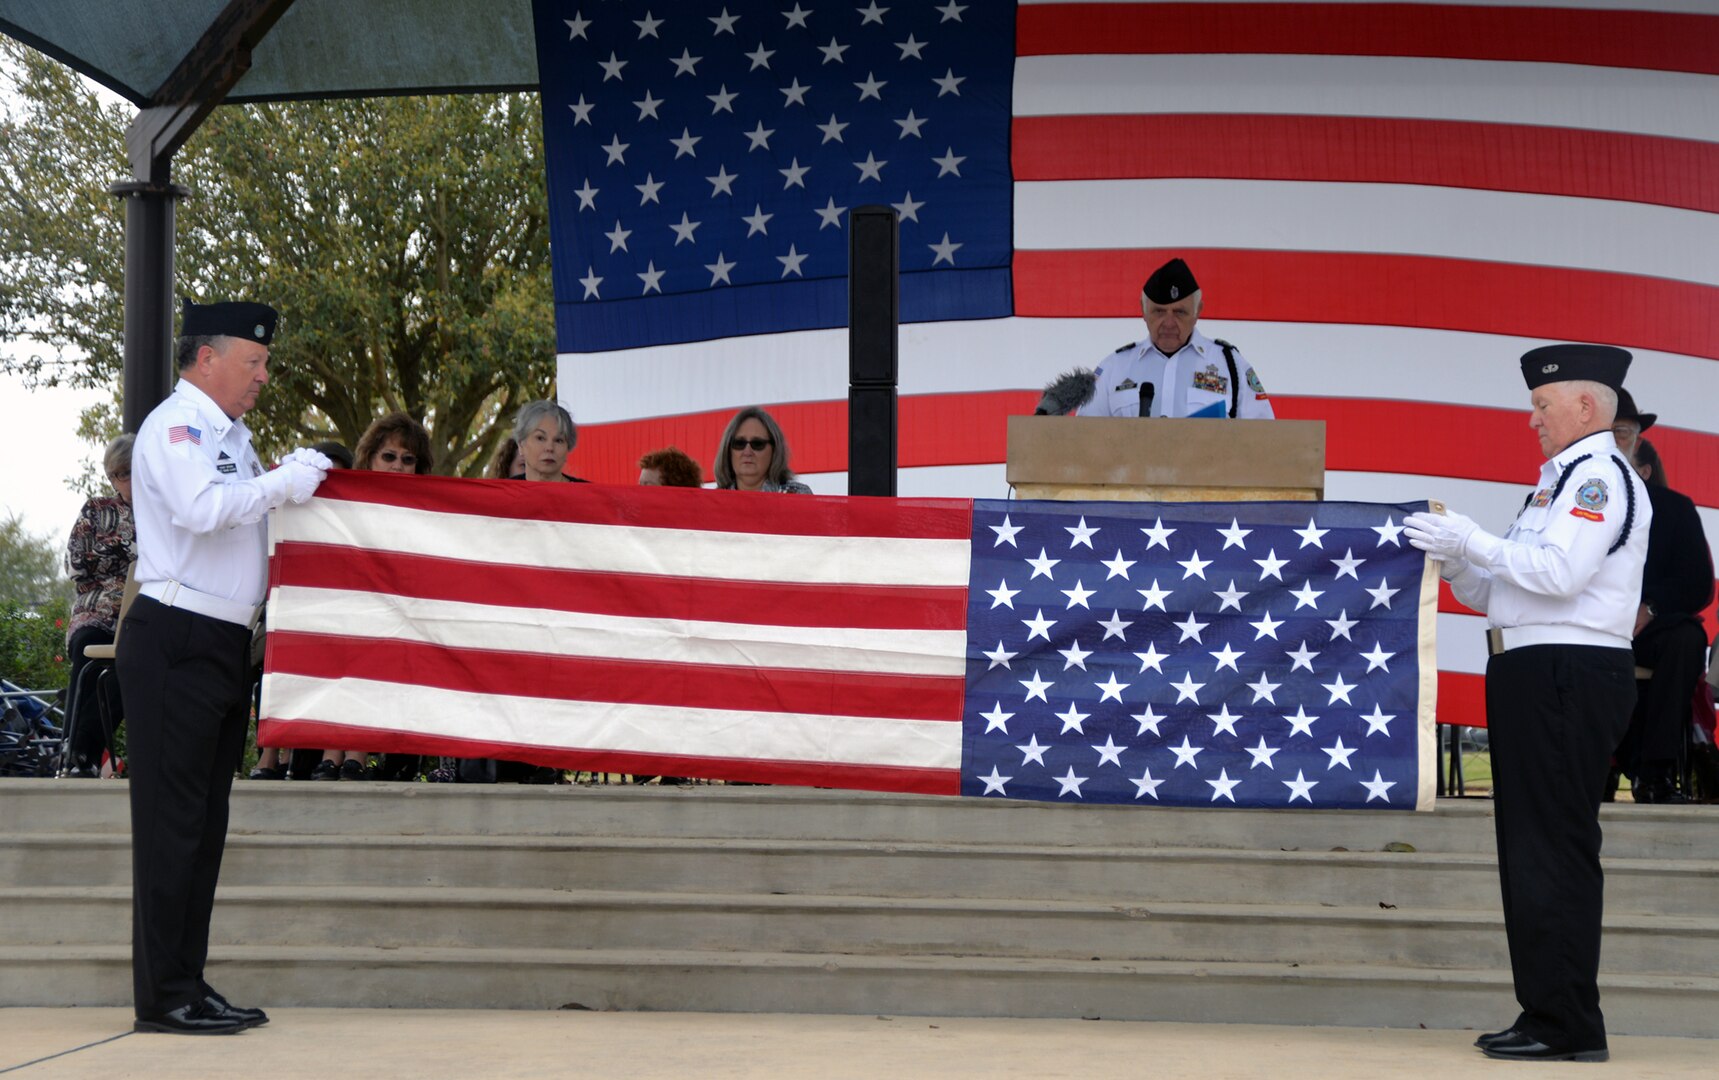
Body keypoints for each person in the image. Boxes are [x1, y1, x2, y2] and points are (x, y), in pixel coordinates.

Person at [1404, 344, 1650, 1063]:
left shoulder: (1598, 478)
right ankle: (1545, 1010)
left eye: (1541, 405)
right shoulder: (1553, 485)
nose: (1531, 418)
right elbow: (1500, 591)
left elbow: (1558, 572)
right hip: (1531, 668)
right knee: (1529, 849)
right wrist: (1456, 559)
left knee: (1553, 849)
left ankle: (1567, 1022)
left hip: (1565, 671)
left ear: (1584, 406)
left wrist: (1473, 539)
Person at [116, 299, 330, 1035]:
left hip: (218, 642)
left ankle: (187, 980)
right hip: (177, 635)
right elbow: (201, 509)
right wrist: (282, 483)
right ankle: (163, 995)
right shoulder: (176, 427)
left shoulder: (231, 435)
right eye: (255, 360)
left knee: (202, 828)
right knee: (173, 826)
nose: (264, 375)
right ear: (206, 358)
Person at [309, 414, 436, 782]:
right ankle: (333, 750)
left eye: (408, 460)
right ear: (369, 457)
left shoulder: (426, 509)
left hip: (396, 606)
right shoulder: (342, 498)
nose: (397, 465)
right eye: (389, 456)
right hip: (348, 602)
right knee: (343, 664)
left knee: (372, 669)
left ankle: (358, 753)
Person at [1609, 395, 1714, 803]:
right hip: (1581, 626)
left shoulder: (1674, 509)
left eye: (1623, 432)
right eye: (1607, 432)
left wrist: (1650, 608)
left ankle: (1655, 775)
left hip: (1644, 631)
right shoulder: (1565, 499)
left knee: (1686, 638)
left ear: (1637, 442)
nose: (1615, 441)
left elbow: (1699, 583)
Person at [1078, 258, 1275, 420]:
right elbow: (1084, 440)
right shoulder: (1114, 368)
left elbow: (1262, 437)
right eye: (1159, 311)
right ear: (1143, 310)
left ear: (1198, 311)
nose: (1169, 322)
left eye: (1180, 312)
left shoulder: (1230, 365)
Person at [62, 434, 138, 777]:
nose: (128, 480)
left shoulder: (166, 512)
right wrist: (121, 553)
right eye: (121, 474)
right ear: (111, 477)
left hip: (139, 614)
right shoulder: (96, 509)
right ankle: (79, 753)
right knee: (87, 649)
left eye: (135, 470)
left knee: (132, 661)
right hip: (95, 610)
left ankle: (80, 752)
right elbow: (74, 565)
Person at [714, 407, 812, 493]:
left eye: (757, 444)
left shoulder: (797, 495)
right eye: (739, 443)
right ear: (727, 450)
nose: (747, 452)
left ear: (774, 450)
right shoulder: (712, 502)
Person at [513, 400, 585, 483]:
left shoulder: (588, 494)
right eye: (540, 438)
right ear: (521, 445)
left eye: (558, 440)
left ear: (568, 448)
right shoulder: (503, 493)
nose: (550, 448)